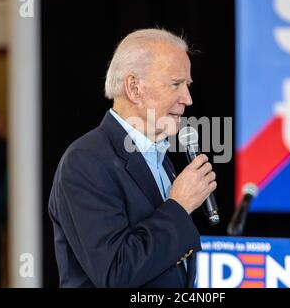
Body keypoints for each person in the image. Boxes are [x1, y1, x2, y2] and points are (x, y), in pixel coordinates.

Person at [48, 28, 217, 288]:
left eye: (187, 85)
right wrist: (180, 206)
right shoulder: (85, 161)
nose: (188, 99)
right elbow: (116, 272)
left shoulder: (159, 157)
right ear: (134, 87)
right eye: (175, 84)